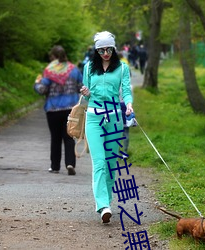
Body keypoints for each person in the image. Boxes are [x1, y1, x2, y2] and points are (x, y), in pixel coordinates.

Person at [80, 31, 133, 223]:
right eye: (101, 50)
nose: (105, 53)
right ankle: (102, 205)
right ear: (96, 50)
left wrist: (128, 104)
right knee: (100, 162)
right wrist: (85, 92)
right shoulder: (88, 68)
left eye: (108, 49)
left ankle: (107, 201)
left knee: (111, 165)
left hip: (114, 118)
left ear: (114, 48)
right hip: (94, 118)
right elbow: (86, 97)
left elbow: (126, 90)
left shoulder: (122, 68)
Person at [34, 45, 83, 175]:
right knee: (69, 137)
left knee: (55, 138)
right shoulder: (74, 70)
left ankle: (55, 166)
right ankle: (70, 163)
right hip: (70, 109)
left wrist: (37, 83)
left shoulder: (49, 71)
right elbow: (81, 87)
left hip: (53, 109)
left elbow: (42, 90)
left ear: (53, 57)